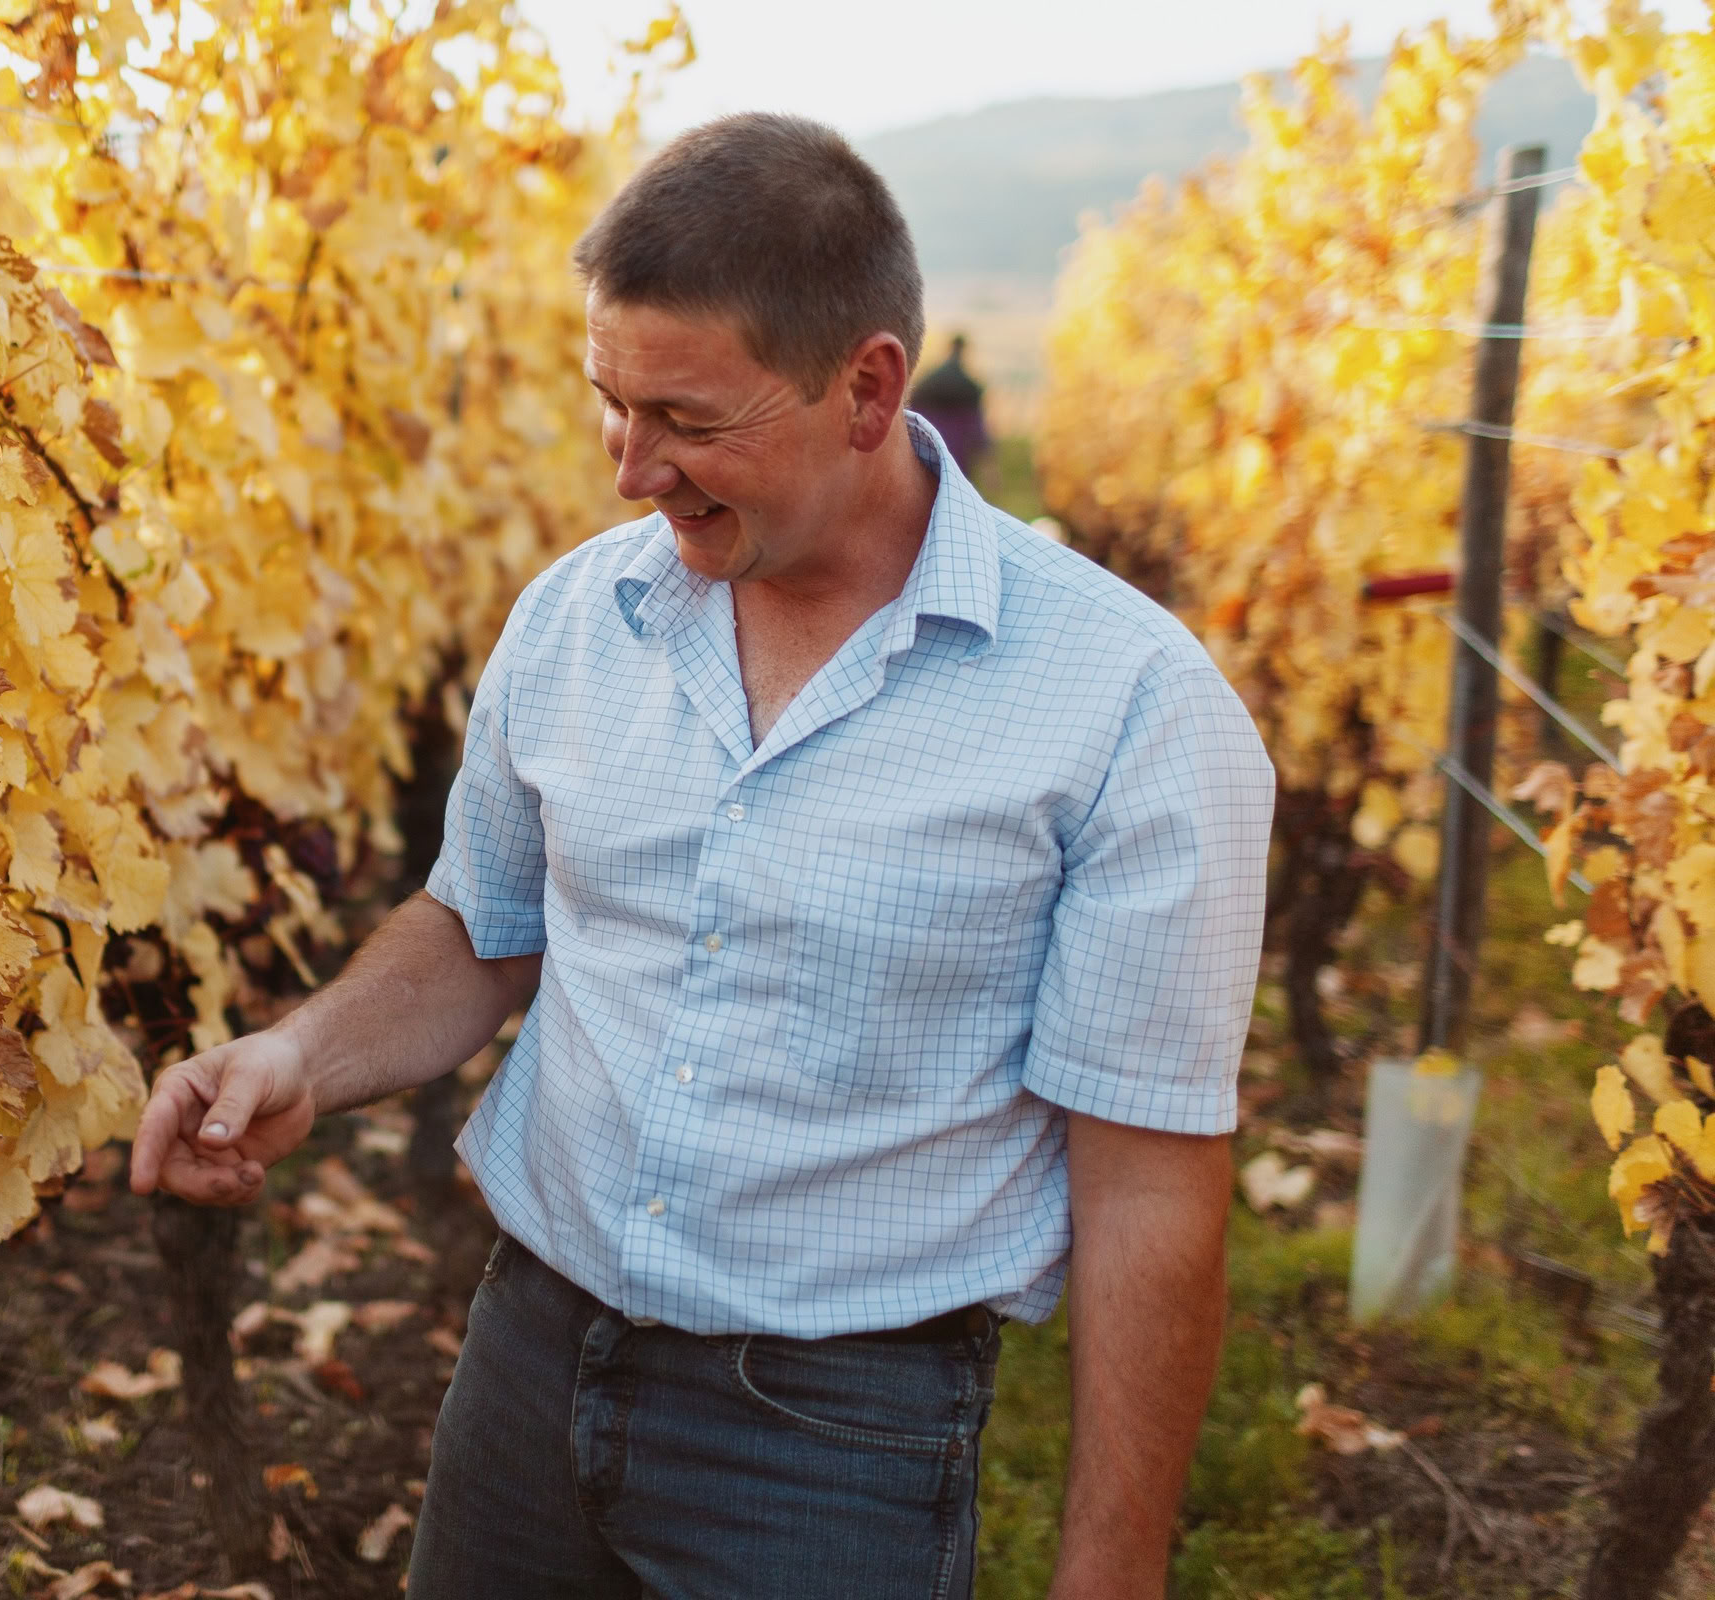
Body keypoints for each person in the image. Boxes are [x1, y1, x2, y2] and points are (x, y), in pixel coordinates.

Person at [131, 111, 1274, 1600]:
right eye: (610, 403)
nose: (631, 469)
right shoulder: (575, 616)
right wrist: (303, 1052)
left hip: (832, 1441)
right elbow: (480, 925)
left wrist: (1111, 1572)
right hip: (527, 1357)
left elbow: (1149, 1181)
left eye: (685, 417)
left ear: (869, 388)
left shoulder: (1129, 705)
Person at [910, 331, 993, 480]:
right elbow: (978, 430)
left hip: (927, 450)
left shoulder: (928, 381)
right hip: (957, 455)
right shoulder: (969, 386)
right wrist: (989, 469)